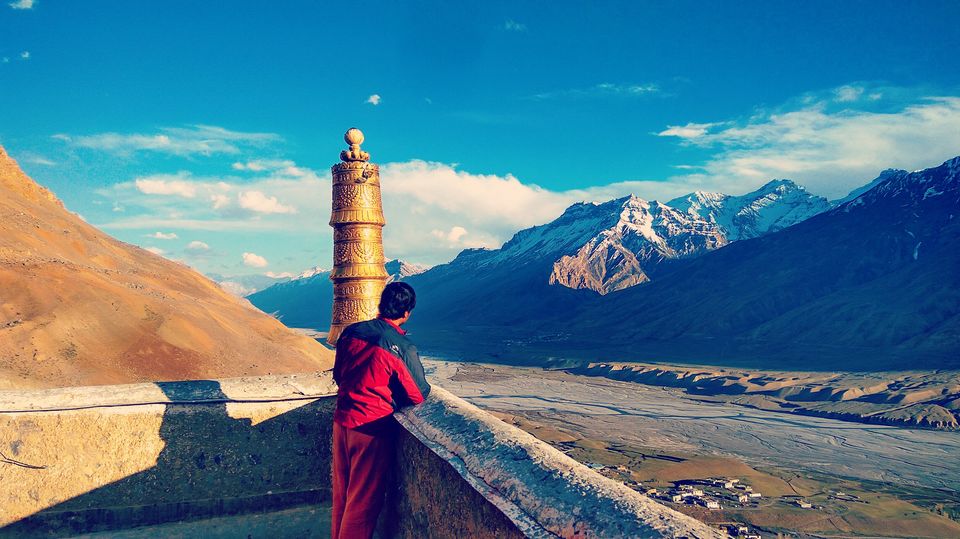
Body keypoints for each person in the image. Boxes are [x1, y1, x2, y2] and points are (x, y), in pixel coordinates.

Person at [330, 281, 431, 539]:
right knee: (362, 503)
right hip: (370, 429)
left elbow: (339, 375)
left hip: (342, 421)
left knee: (342, 495)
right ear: (407, 313)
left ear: (381, 304)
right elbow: (418, 394)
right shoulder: (400, 346)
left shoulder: (351, 332)